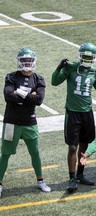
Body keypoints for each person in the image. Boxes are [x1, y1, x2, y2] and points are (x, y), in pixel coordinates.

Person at [51, 42, 96, 193]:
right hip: (72, 112)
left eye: (89, 56)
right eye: (84, 56)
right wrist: (59, 67)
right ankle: (72, 179)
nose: (86, 59)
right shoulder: (71, 68)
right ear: (79, 55)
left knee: (84, 145)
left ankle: (80, 174)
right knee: (73, 147)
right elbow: (54, 81)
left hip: (87, 112)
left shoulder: (95, 72)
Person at [0, 48, 51, 197]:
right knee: (5, 154)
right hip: (11, 122)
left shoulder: (39, 79)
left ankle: (40, 181)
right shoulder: (11, 77)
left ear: (34, 62)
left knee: (35, 153)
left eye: (29, 60)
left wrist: (19, 92)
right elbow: (8, 97)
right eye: (24, 61)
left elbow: (39, 100)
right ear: (19, 62)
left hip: (30, 122)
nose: (26, 63)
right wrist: (29, 94)